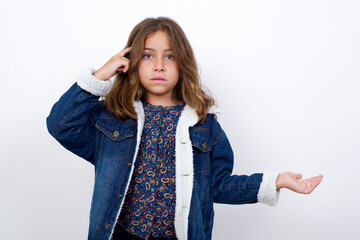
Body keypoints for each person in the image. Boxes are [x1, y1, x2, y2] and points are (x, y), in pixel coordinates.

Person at [46, 17, 323, 240]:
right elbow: (61, 126)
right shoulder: (113, 117)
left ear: (183, 64)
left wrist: (276, 181)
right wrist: (100, 75)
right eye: (147, 56)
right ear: (130, 62)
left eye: (169, 57)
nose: (158, 66)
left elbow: (218, 186)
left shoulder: (204, 124)